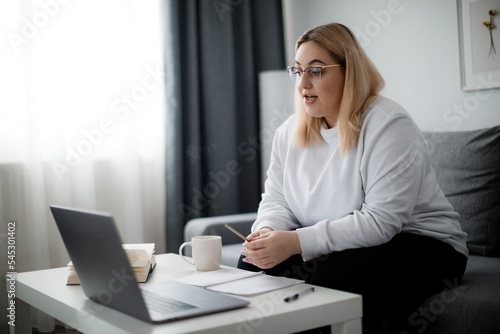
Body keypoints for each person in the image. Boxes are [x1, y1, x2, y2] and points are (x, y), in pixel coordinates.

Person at [237, 23, 468, 334]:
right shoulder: (288, 133)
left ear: (349, 72)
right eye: (297, 70)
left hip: (425, 244)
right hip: (349, 244)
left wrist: (295, 242)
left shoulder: (388, 124)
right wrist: (267, 233)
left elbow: (382, 222)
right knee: (251, 267)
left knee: (330, 285)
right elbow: (277, 201)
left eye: (316, 71)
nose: (303, 83)